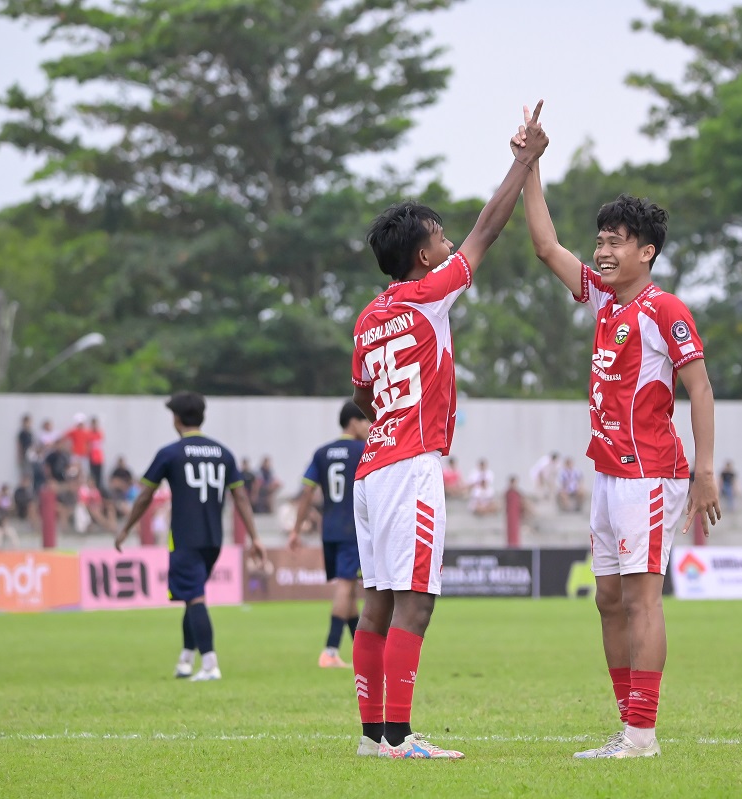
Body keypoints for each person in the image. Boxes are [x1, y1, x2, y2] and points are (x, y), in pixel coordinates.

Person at [516, 108, 720, 759]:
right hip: (607, 473)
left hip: (648, 474)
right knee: (607, 598)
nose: (601, 250)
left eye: (616, 241)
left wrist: (704, 471)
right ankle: (627, 725)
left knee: (640, 599)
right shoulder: (604, 298)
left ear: (646, 252)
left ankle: (642, 733)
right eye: (600, 239)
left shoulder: (665, 310)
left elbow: (701, 390)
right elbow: (546, 246)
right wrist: (531, 163)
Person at [348, 106, 549, 760]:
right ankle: (402, 738)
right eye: (438, 236)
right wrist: (524, 160)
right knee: (417, 602)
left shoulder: (366, 318)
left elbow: (361, 395)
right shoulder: (428, 293)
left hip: (372, 468)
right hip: (411, 466)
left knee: (375, 602)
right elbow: (489, 228)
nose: (448, 242)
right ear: (423, 253)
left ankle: (374, 737)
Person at [115, 391, 266, 682]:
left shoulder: (170, 453)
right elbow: (242, 499)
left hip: (185, 537)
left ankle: (210, 665)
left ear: (176, 419)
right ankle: (186, 659)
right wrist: (255, 537)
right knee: (191, 594)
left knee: (194, 597)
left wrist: (126, 528)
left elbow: (145, 494)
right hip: (213, 539)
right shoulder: (223, 453)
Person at [288, 400, 371, 669]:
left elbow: (307, 493)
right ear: (353, 422)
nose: (370, 427)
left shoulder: (322, 452)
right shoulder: (364, 450)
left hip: (330, 529)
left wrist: (296, 529)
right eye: (366, 421)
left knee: (349, 593)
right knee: (346, 586)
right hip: (354, 530)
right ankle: (330, 650)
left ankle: (363, 653)